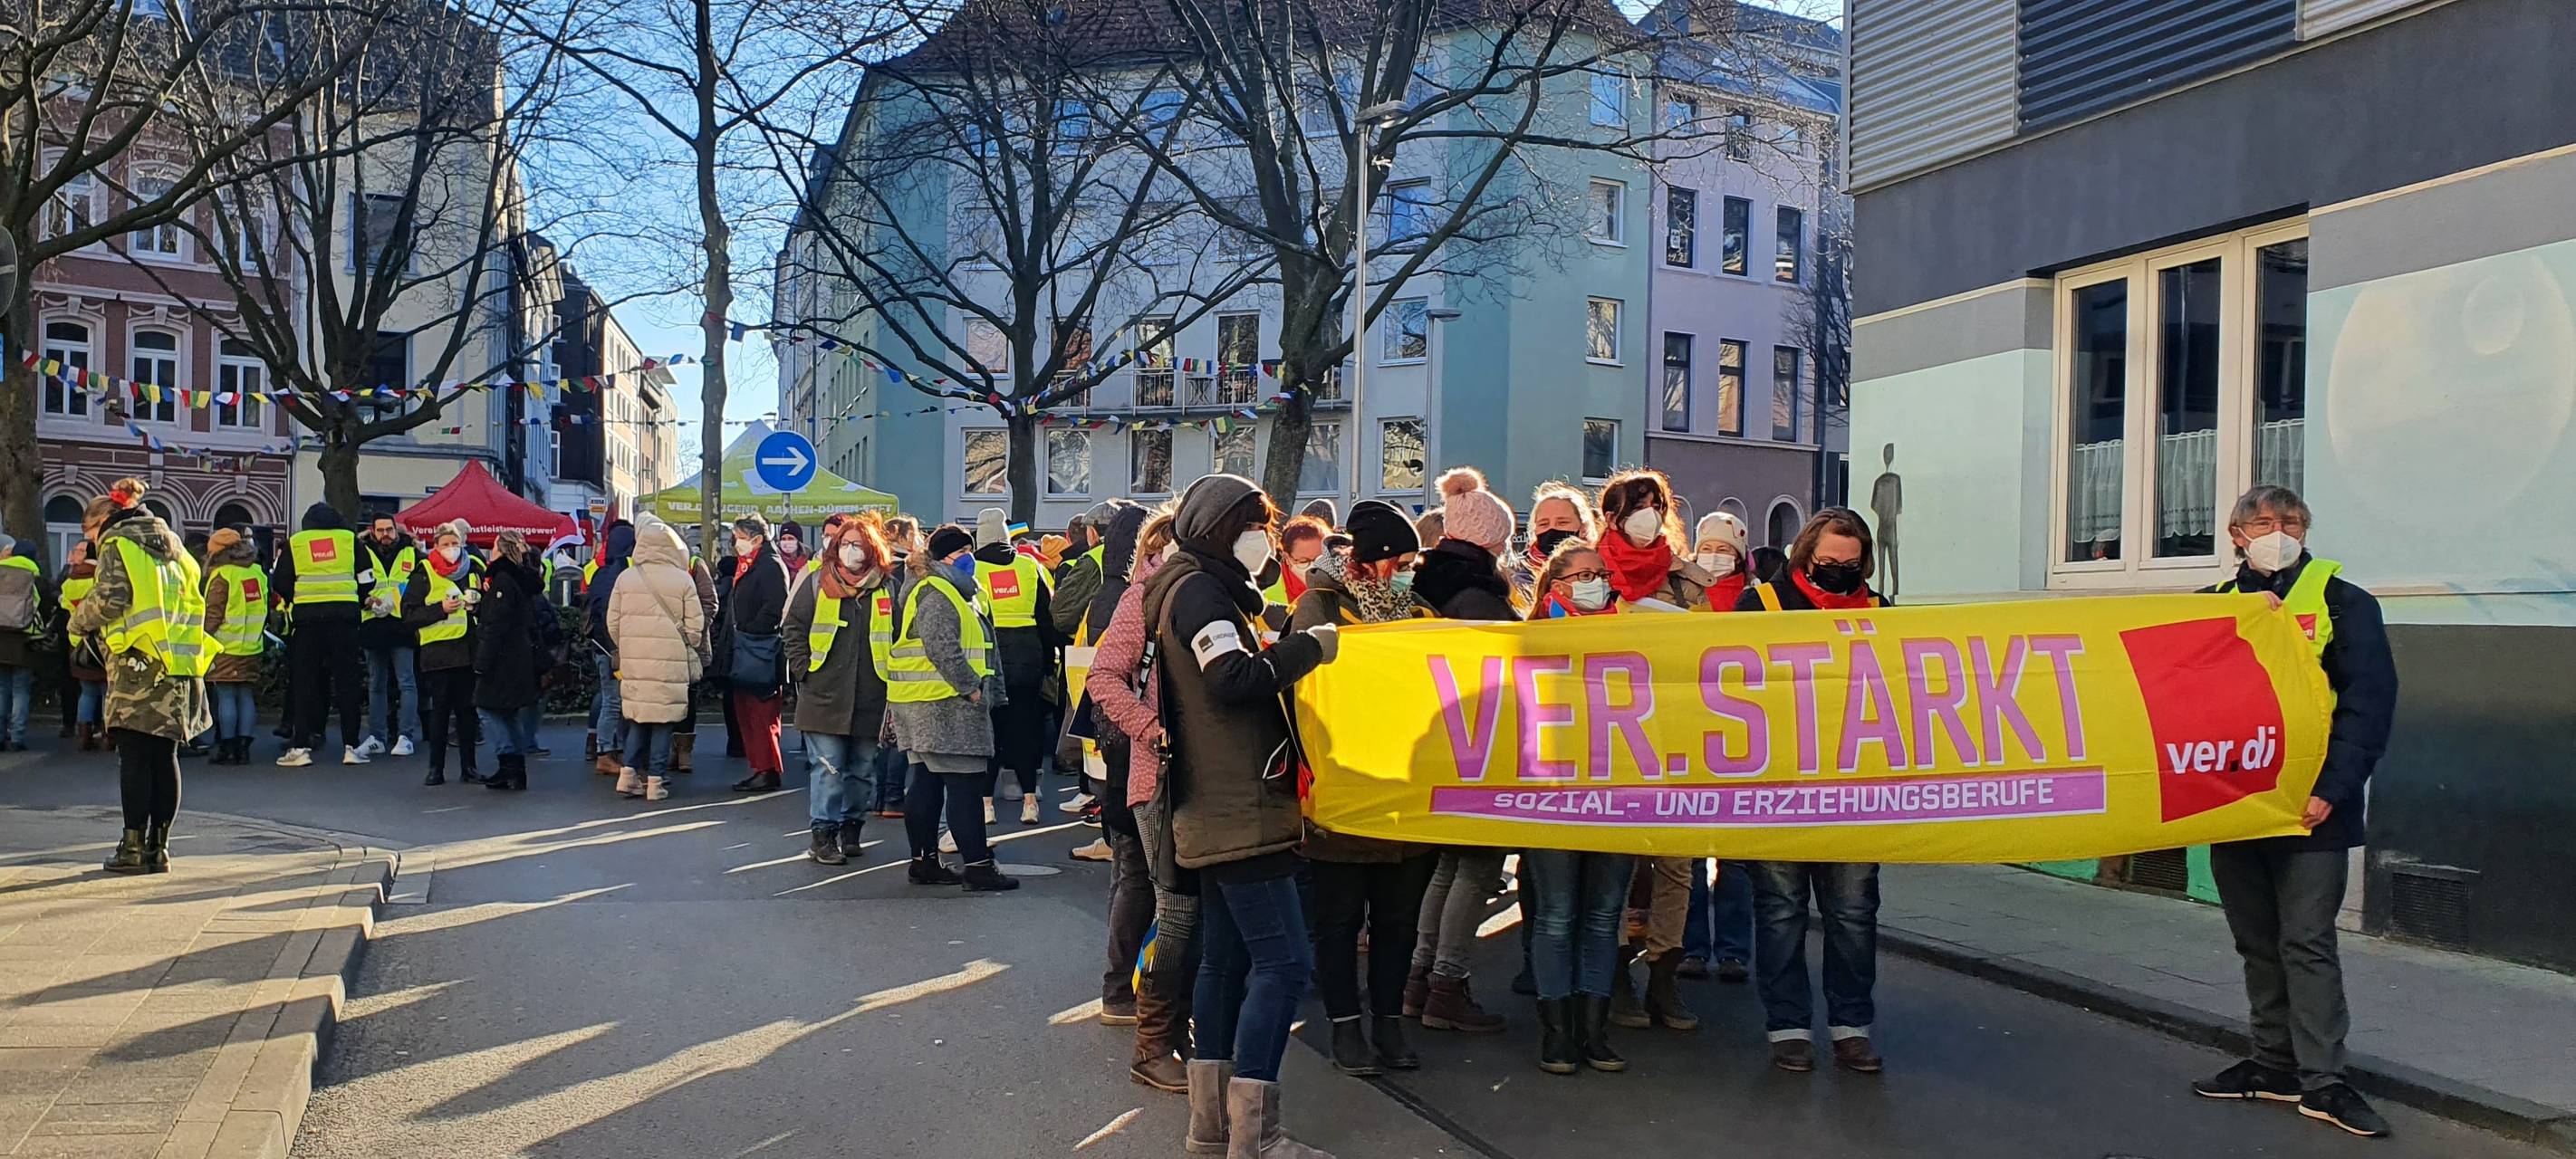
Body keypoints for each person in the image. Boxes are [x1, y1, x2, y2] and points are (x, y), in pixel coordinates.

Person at [1141, 474, 1341, 1157]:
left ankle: (1211, 1131)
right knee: (1284, 963)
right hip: (1238, 806)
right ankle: (1256, 1137)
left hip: (1216, 805)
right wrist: (1309, 648)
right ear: (1220, 528)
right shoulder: (1201, 591)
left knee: (1224, 963)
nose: (1264, 537)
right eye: (1254, 524)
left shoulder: (1193, 587)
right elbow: (1231, 681)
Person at [2189, 486, 2397, 1139]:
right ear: (2236, 535)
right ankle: (2273, 1064)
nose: (2278, 531)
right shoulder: (2209, 606)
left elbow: (2368, 706)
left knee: (2306, 941)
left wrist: (2333, 788)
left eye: (2292, 521)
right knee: (2256, 941)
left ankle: (2324, 1081)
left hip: (2313, 806)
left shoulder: (2343, 602)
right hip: (2237, 803)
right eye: (2262, 522)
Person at [1735, 507, 1889, 1074]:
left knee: (1853, 915)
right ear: (1806, 555)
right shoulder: (1761, 605)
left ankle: (1851, 1027)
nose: (1839, 572)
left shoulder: (1880, 610)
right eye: (1829, 562)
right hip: (1778, 786)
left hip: (1854, 791)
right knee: (1781, 912)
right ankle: (1789, 1028)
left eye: (1851, 564)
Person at [1292, 501, 1437, 1077]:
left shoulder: (1422, 612)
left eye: (1412, 564)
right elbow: (1303, 687)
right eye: (1400, 563)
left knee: (1399, 922)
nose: (1407, 572)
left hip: (1408, 794)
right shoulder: (1321, 606)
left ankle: (1389, 1023)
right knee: (1339, 920)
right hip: (1343, 791)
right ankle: (1345, 1026)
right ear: (1372, 561)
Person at [1391, 489, 1519, 1039]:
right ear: (1492, 540)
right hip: (1478, 743)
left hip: (1441, 743)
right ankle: (1447, 983)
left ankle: (1418, 979)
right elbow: (1507, 664)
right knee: (1478, 864)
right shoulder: (1478, 595)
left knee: (1447, 866)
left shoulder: (1430, 583)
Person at [1591, 469, 1714, 1036]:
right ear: (1611, 516)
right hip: (1611, 740)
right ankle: (1616, 972)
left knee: (1678, 863)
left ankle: (1665, 973)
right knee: (1617, 862)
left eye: (1657, 505)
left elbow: (1713, 653)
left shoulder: (1688, 581)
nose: (1648, 515)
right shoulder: (1589, 573)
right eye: (1636, 505)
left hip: (1677, 735)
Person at [1514, 537, 1639, 1077]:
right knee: (1558, 914)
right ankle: (1558, 1032)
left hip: (1620, 794)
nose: (1598, 583)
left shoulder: (1635, 633)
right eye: (1585, 575)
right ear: (1557, 584)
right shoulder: (1529, 639)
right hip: (1553, 795)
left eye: (1602, 574)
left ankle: (1594, 1029)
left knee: (1604, 915)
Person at [68, 480, 212, 873]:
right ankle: (158, 849)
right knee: (165, 757)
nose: (93, 543)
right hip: (178, 662)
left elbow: (111, 599)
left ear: (103, 521)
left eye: (90, 535)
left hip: (137, 664)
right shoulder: (176, 547)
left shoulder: (118, 543)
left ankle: (131, 848)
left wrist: (77, 621)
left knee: (133, 758)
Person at [883, 523, 1015, 891]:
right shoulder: (939, 591)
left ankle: (924, 862)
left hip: (924, 703)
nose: (970, 559)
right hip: (945, 706)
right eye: (962, 553)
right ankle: (977, 867)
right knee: (964, 787)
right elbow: (942, 646)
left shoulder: (946, 588)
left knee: (926, 783)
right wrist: (971, 689)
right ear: (944, 558)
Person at [780, 514, 890, 864]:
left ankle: (851, 830)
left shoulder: (888, 586)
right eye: (844, 544)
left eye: (857, 544)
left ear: (872, 549)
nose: (849, 550)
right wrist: (803, 670)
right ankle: (823, 837)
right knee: (827, 769)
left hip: (872, 696)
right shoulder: (817, 581)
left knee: (862, 771)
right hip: (823, 695)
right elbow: (793, 627)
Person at [971, 507, 1065, 826]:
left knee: (989, 734)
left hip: (988, 657)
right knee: (1025, 730)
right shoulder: (1029, 565)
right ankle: (1029, 802)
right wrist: (1050, 661)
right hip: (1028, 658)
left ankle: (986, 805)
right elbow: (1047, 617)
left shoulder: (972, 569)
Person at [608, 516, 707, 805]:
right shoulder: (682, 579)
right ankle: (655, 783)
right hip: (670, 662)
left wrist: (627, 643)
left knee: (638, 718)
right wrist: (686, 641)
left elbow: (612, 622)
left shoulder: (626, 578)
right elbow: (696, 626)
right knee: (664, 721)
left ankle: (627, 776)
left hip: (635, 661)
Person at [273, 503, 368, 767]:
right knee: (348, 684)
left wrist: (298, 599)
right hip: (345, 620)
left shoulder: (297, 542)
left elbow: (280, 581)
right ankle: (351, 747)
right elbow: (367, 578)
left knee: (304, 684)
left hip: (307, 622)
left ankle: (300, 747)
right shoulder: (349, 540)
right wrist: (356, 599)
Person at [401, 522, 483, 786]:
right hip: (437, 654)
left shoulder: (472, 568)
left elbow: (484, 602)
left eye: (455, 544)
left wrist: (476, 606)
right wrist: (440, 609)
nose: (451, 549)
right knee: (440, 713)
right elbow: (409, 614)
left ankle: (469, 768)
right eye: (446, 544)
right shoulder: (424, 571)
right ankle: (435, 769)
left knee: (467, 713)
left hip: (466, 651)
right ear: (435, 546)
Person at [472, 532, 553, 791]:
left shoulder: (503, 580)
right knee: (509, 712)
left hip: (503, 658)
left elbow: (496, 625)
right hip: (520, 657)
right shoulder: (522, 578)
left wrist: (482, 661)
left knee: (486, 708)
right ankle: (516, 768)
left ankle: (508, 762)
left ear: (501, 550)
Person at [717, 515, 792, 792]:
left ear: (757, 539)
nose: (736, 542)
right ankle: (760, 767)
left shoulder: (770, 566)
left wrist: (750, 630)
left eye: (740, 537)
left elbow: (775, 608)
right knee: (747, 712)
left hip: (759, 649)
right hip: (745, 647)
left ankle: (767, 769)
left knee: (762, 714)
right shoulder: (750, 563)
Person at [354, 512, 421, 759]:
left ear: (396, 530)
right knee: (376, 684)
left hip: (402, 625)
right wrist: (365, 600)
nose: (386, 535)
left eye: (389, 530)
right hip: (373, 624)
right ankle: (377, 737)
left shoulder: (411, 552)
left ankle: (406, 736)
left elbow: (422, 585)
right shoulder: (361, 553)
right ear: (373, 531)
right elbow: (353, 583)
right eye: (381, 530)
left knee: (407, 683)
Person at [1411, 472, 1519, 621]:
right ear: (1488, 539)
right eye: (1503, 540)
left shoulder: (1423, 574)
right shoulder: (1480, 595)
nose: (1504, 548)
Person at [198, 529, 265, 766]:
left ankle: (227, 747)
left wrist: (202, 638)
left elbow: (214, 614)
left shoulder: (222, 575)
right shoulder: (256, 572)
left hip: (225, 645)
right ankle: (244, 748)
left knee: (226, 694)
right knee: (246, 694)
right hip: (252, 645)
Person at [584, 520, 636, 776]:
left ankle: (611, 750)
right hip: (612, 649)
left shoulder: (601, 572)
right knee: (613, 702)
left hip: (605, 647)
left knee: (614, 700)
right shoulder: (618, 574)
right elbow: (608, 614)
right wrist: (616, 648)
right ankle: (605, 752)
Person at [0, 534, 54, 752]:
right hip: (25, 640)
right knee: (20, 690)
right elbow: (45, 608)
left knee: (1, 688)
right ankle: (17, 737)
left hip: (1, 638)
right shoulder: (35, 578)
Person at [61, 541, 108, 752]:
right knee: (107, 691)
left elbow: (64, 604)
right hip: (101, 640)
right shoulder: (100, 578)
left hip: (77, 640)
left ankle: (84, 736)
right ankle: (107, 734)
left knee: (87, 692)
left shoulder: (70, 580)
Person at [1518, 481, 1595, 588]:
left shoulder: (1602, 570)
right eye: (1543, 524)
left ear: (1584, 528)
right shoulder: (1515, 578)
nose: (1552, 529)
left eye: (1562, 522)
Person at [1275, 515, 1329, 605]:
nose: (1314, 567)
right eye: (1304, 561)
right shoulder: (1270, 584)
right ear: (1287, 558)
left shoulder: (1343, 581)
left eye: (1320, 559)